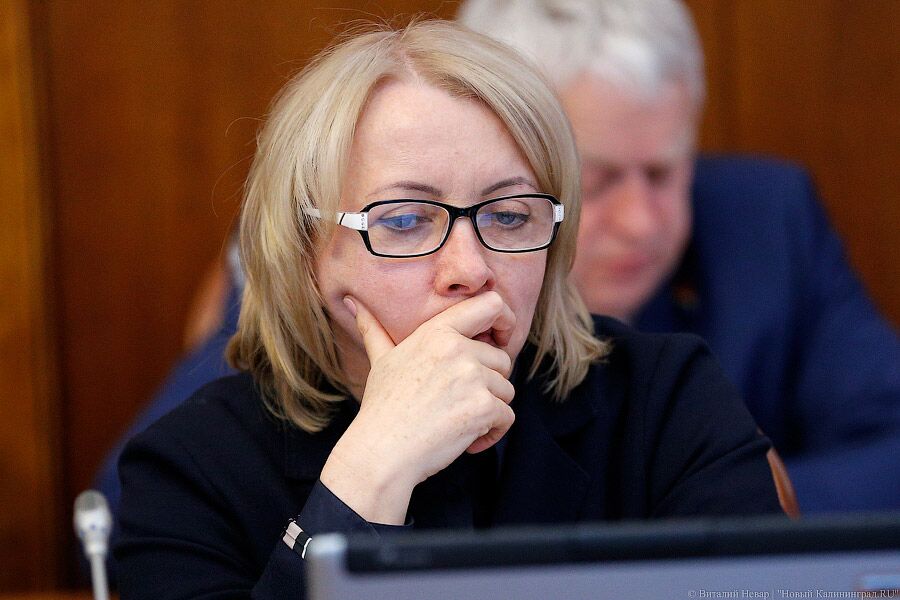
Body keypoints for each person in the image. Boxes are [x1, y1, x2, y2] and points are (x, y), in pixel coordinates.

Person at [115, 20, 781, 598]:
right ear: (307, 250)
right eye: (405, 220)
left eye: (510, 215)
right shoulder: (191, 469)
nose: (471, 268)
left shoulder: (665, 399)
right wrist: (367, 478)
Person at [457, 0, 900, 512]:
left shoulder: (767, 226)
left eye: (662, 173)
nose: (640, 222)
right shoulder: (443, 277)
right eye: (596, 181)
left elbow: (888, 450)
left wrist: (732, 503)